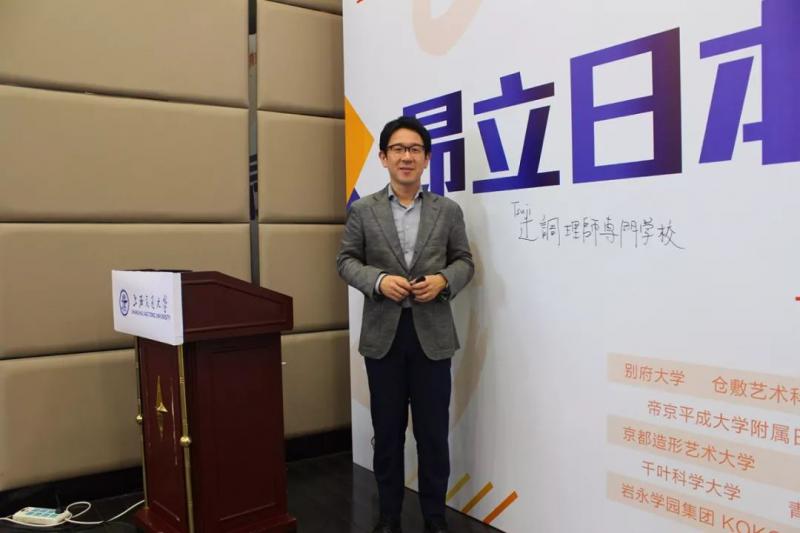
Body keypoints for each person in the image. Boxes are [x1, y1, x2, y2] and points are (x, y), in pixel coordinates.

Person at [337, 116, 474, 533]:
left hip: (433, 337)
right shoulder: (363, 210)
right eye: (398, 149)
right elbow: (346, 261)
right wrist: (378, 281)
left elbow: (464, 262)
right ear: (383, 157)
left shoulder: (448, 211)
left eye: (415, 149)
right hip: (384, 338)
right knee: (388, 433)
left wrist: (443, 281)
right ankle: (389, 517)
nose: (406, 157)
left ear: (427, 158)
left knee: (433, 435)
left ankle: (434, 518)